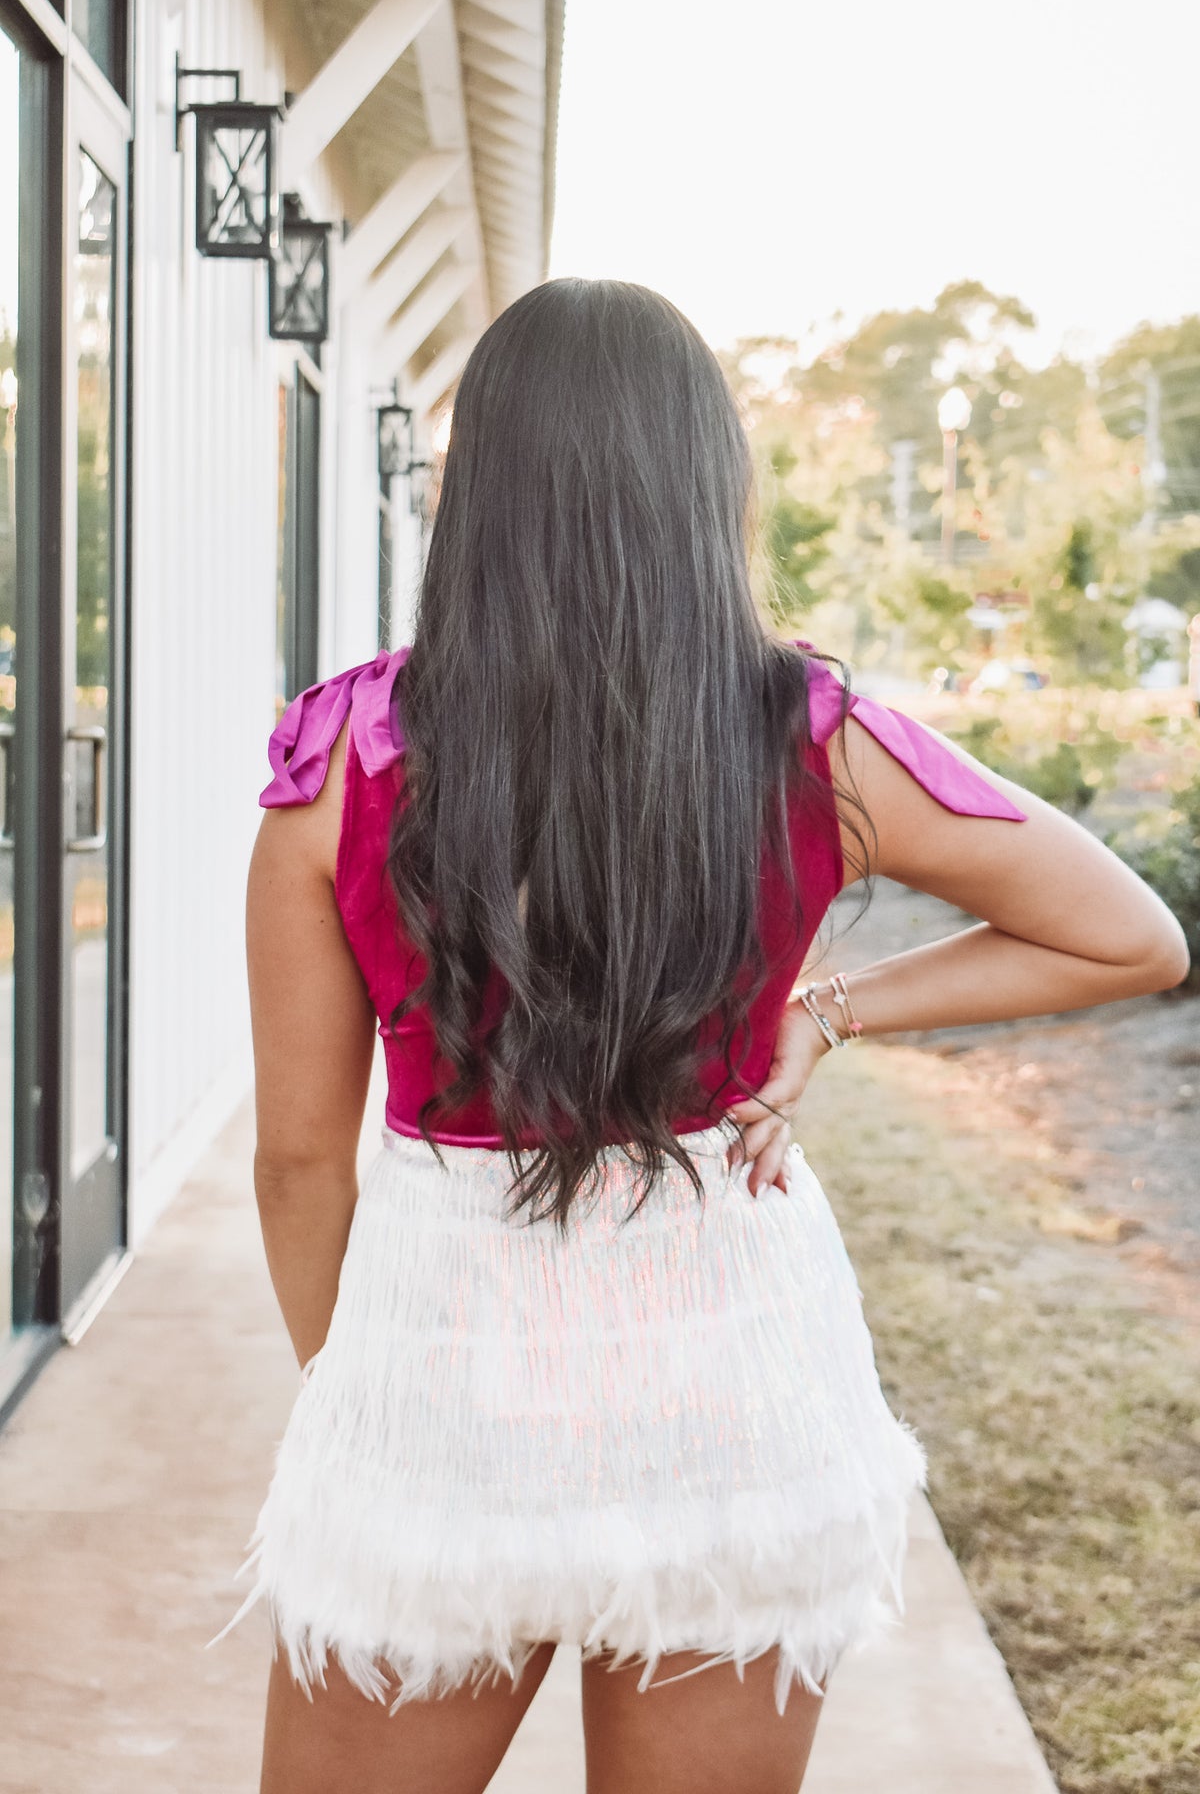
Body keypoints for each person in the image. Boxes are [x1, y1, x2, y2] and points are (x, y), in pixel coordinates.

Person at [228, 280, 1188, 1794]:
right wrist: (834, 1011)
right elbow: (1128, 933)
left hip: (445, 1366)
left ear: (478, 490)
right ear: (707, 487)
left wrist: (353, 1398)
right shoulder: (811, 736)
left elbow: (297, 1163)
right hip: (732, 1371)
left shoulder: (345, 755)